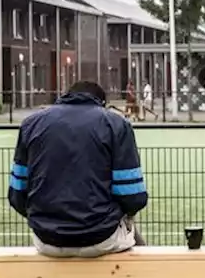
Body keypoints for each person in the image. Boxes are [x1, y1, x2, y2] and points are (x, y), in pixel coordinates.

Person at [8, 81, 149, 258]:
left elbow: (17, 194)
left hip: (47, 239)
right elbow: (133, 196)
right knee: (132, 232)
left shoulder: (31, 124)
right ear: (102, 103)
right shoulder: (115, 124)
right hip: (101, 237)